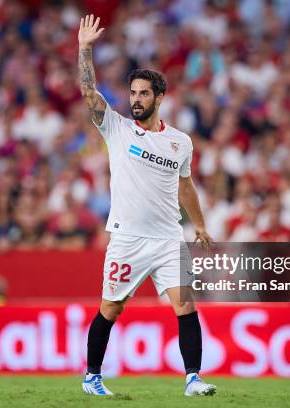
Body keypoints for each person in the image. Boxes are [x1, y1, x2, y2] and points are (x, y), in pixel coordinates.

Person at [78, 15, 216, 397]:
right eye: (132, 93)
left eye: (142, 94)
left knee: (186, 306)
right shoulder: (117, 129)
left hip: (169, 237)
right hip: (128, 238)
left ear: (159, 97)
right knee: (111, 309)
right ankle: (92, 377)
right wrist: (84, 48)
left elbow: (184, 185)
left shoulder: (179, 142)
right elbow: (89, 92)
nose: (135, 99)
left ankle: (192, 379)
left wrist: (200, 225)